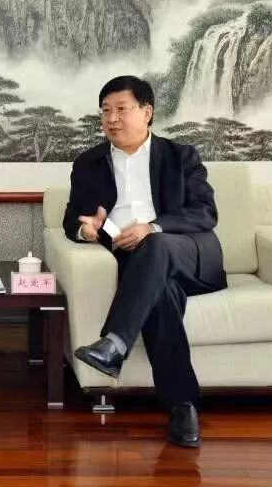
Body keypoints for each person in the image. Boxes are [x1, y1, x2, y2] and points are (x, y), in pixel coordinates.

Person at [64, 75, 227, 448]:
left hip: (188, 252)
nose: (111, 119)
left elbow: (205, 213)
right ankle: (182, 406)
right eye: (105, 111)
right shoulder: (88, 163)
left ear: (147, 112)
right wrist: (86, 230)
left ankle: (114, 342)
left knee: (154, 245)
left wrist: (152, 228)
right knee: (161, 294)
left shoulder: (181, 156)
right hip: (136, 265)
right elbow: (72, 216)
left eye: (121, 109)